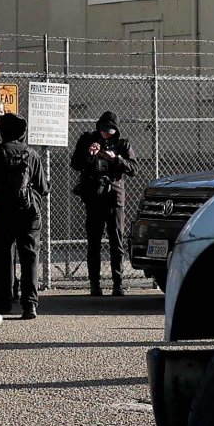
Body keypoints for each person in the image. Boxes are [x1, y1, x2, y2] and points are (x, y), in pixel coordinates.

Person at [0, 111, 46, 322]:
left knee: (4, 257)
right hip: (29, 212)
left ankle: (4, 301)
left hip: (3, 210)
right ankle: (30, 304)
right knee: (30, 257)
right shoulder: (32, 154)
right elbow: (43, 187)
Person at [71, 110, 140, 297]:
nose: (106, 134)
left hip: (114, 197)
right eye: (103, 130)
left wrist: (115, 159)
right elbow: (75, 164)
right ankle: (95, 284)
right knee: (93, 241)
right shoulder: (88, 139)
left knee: (116, 240)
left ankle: (118, 283)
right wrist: (90, 153)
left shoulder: (122, 144)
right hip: (94, 195)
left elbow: (134, 168)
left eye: (110, 131)